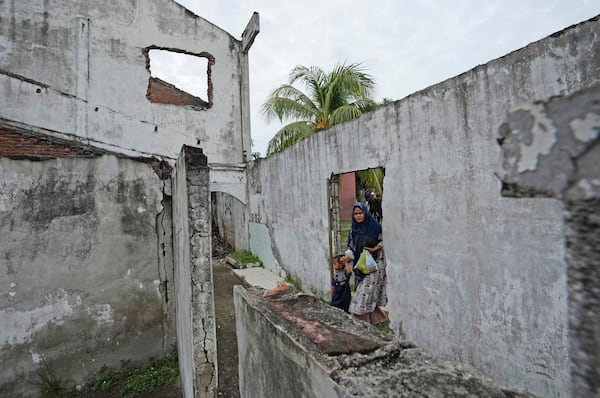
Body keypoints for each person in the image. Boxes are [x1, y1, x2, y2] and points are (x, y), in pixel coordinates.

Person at [345, 202, 388, 325]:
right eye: (356, 214)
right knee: (367, 294)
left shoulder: (375, 226)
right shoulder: (354, 229)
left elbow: (385, 240)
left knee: (363, 294)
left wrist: (375, 249)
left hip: (374, 265)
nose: (358, 216)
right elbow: (351, 248)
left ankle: (360, 323)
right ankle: (379, 319)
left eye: (360, 213)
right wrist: (347, 256)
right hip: (360, 266)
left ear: (365, 213)